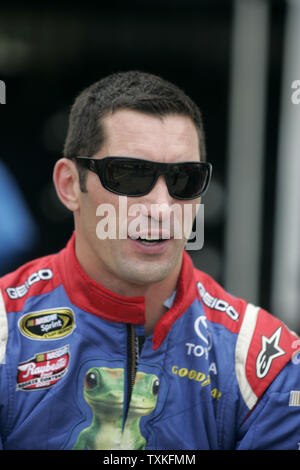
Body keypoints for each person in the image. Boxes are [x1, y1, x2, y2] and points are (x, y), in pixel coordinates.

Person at [0, 71, 299, 451]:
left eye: (184, 180)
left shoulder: (264, 362)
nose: (161, 208)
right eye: (129, 175)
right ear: (70, 185)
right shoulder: (4, 335)